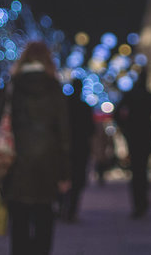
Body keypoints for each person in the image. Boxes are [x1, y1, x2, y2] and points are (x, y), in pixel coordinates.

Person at [4, 41, 71, 255]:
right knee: (44, 219)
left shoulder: (13, 86)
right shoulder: (53, 87)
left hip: (16, 161)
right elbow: (64, 133)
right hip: (48, 163)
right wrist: (65, 172)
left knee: (19, 222)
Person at [113, 67, 151, 218]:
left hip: (134, 136)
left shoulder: (130, 95)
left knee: (136, 170)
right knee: (143, 169)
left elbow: (117, 114)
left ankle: (139, 202)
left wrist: (126, 127)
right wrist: (150, 125)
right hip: (145, 136)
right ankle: (142, 200)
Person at [59, 78, 95, 222]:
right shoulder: (84, 107)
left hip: (67, 148)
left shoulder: (65, 106)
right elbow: (91, 129)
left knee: (65, 177)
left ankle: (63, 207)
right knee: (76, 180)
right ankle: (71, 210)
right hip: (79, 148)